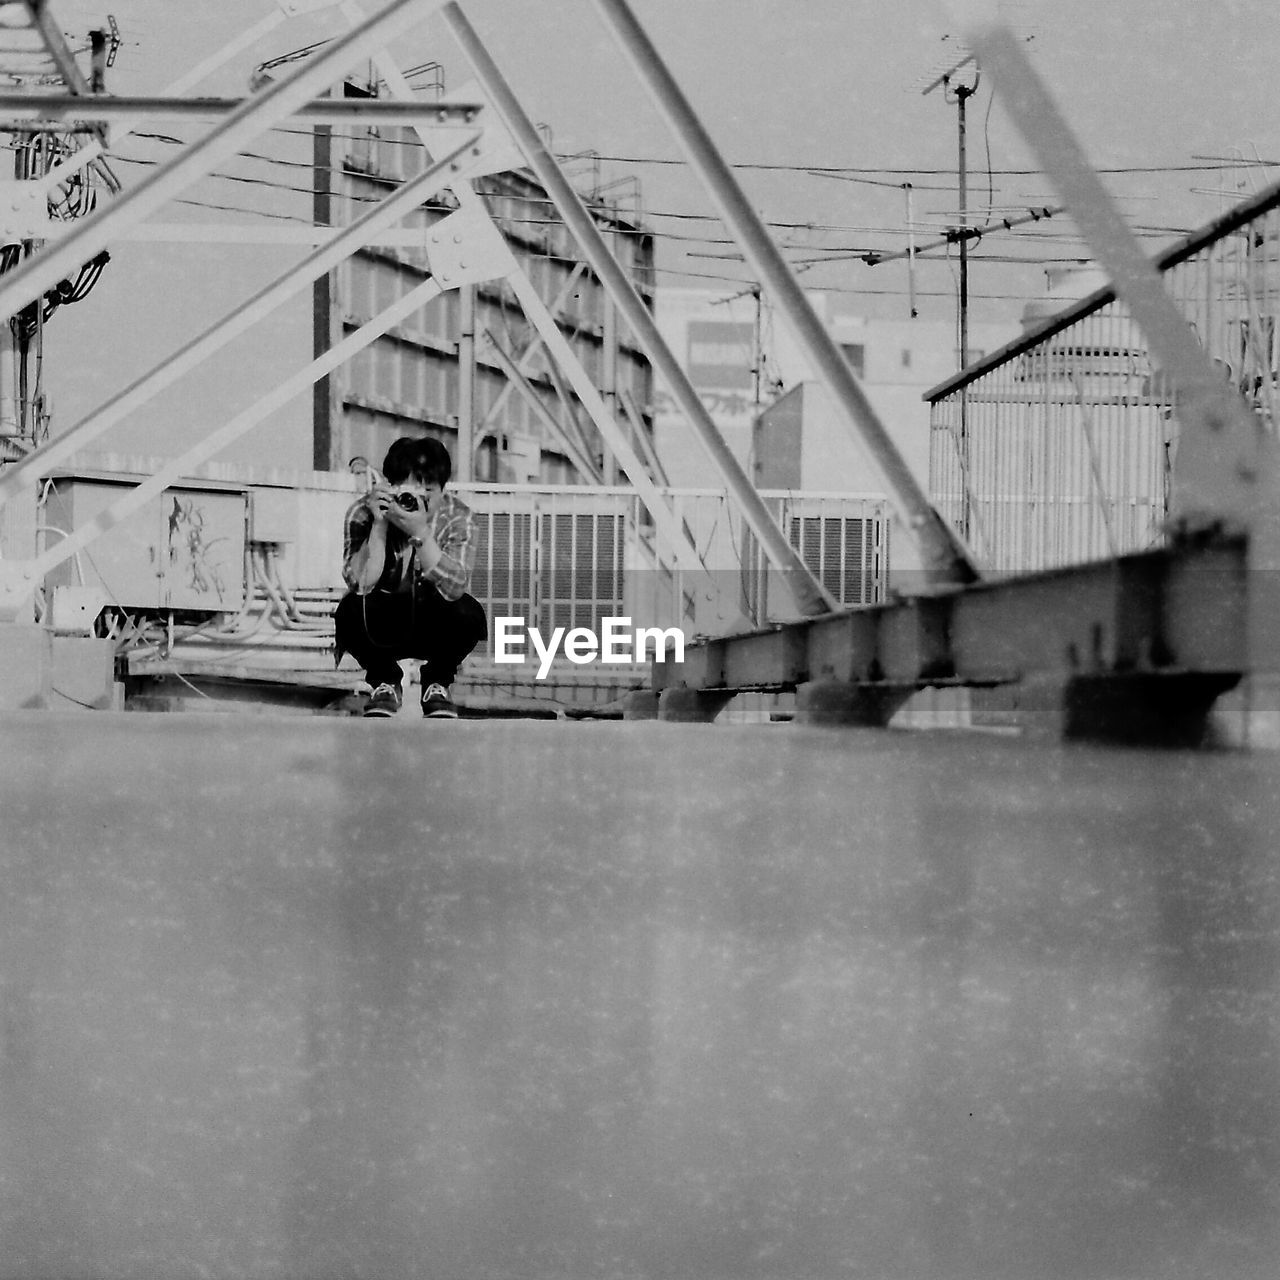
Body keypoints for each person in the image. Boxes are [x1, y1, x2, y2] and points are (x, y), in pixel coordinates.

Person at [334, 436, 486, 719]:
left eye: (427, 491)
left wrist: (421, 534)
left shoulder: (458, 515)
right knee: (348, 611)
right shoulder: (363, 512)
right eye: (408, 489)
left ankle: (437, 683)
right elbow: (359, 583)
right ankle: (384, 682)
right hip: (384, 619)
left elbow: (454, 587)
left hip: (434, 618)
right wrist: (379, 528)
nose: (416, 500)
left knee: (470, 614)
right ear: (391, 486)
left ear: (443, 489)